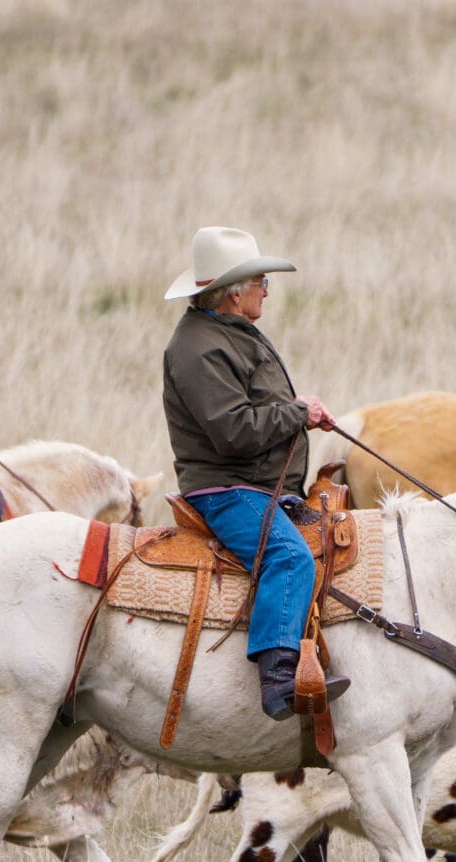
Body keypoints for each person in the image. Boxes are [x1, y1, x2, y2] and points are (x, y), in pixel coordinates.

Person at [161, 226, 349, 720]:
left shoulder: (226, 333)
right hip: (226, 490)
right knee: (288, 557)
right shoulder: (199, 347)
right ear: (233, 291)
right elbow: (233, 432)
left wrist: (298, 408)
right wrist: (296, 413)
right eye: (260, 281)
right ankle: (279, 680)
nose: (266, 289)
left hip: (258, 486)